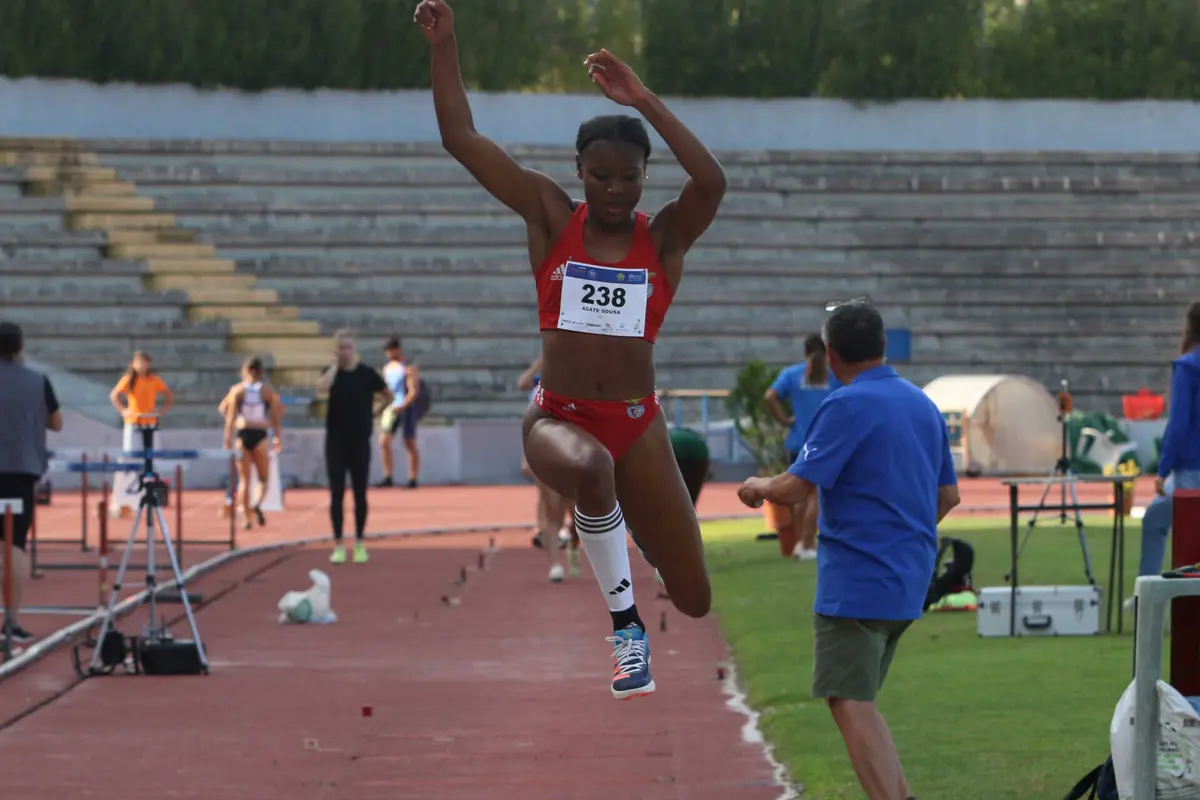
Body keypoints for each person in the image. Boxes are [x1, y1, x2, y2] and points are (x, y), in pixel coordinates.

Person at [417, 0, 727, 699]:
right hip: (558, 418)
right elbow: (460, 138)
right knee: (589, 470)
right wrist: (445, 46)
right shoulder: (550, 215)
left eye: (629, 177)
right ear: (579, 172)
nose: (615, 190)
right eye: (600, 176)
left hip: (638, 424)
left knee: (695, 597)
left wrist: (644, 98)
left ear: (646, 175)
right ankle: (626, 633)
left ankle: (623, 537)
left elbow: (712, 182)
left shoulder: (665, 239)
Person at [737, 300, 959, 800]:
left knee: (849, 702)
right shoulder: (922, 403)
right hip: (908, 574)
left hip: (858, 579)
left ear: (832, 354)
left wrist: (756, 485)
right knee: (857, 699)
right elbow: (948, 497)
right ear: (882, 346)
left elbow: (795, 487)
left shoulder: (847, 404)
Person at [1128, 301, 1200, 604]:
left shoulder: (1188, 366)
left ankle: (1151, 597)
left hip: (1191, 467)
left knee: (1167, 526)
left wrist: (1162, 468)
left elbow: (1180, 422)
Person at [0, 322, 64, 644]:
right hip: (21, 470)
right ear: (19, 347)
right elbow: (57, 423)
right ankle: (10, 619)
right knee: (14, 545)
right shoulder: (38, 381)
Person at [316, 330, 392, 565]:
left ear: (355, 349)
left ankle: (359, 542)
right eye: (341, 348)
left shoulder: (367, 374)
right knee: (336, 493)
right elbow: (321, 388)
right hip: (335, 441)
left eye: (349, 347)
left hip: (359, 441)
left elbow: (388, 396)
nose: (345, 352)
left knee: (360, 493)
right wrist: (334, 367)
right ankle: (338, 544)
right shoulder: (331, 374)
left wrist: (374, 414)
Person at [764, 334, 841, 560]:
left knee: (798, 495)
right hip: (824, 442)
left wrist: (784, 420)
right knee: (816, 497)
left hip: (797, 441)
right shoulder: (833, 376)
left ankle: (798, 543)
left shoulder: (792, 374)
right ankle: (808, 544)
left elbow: (770, 396)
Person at [517, 353, 579, 582]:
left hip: (570, 452)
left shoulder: (573, 386)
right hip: (543, 451)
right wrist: (526, 456)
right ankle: (555, 564)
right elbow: (530, 424)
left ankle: (573, 547)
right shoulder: (537, 389)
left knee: (575, 510)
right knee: (550, 507)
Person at [219, 356, 284, 531]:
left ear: (244, 371)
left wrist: (227, 439)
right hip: (260, 435)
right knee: (263, 478)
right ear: (261, 372)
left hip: (242, 434)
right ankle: (256, 504)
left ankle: (246, 517)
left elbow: (227, 413)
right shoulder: (268, 391)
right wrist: (277, 436)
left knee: (244, 481)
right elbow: (276, 415)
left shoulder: (237, 390)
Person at [378, 336, 432, 489]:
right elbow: (388, 391)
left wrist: (403, 405)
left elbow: (413, 392)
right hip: (394, 407)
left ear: (397, 350)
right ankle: (388, 476)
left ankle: (413, 478)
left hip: (408, 407)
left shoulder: (408, 367)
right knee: (384, 441)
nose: (388, 354)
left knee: (409, 442)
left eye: (390, 350)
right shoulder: (387, 369)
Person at [109, 351, 173, 447]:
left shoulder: (154, 380)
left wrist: (162, 410)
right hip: (134, 421)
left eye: (145, 363)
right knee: (133, 452)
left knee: (152, 452)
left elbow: (168, 395)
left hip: (151, 420)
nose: (142, 365)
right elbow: (114, 396)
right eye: (140, 362)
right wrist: (123, 411)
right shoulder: (128, 379)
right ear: (133, 364)